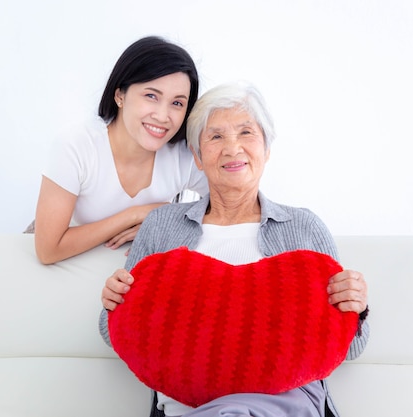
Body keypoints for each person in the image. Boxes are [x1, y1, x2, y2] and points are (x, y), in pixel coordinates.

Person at [99, 81, 369, 417]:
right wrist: (115, 302)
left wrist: (355, 308)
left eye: (246, 133)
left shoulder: (304, 226)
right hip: (188, 405)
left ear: (266, 149)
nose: (232, 148)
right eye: (215, 137)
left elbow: (352, 345)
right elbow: (115, 334)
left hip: (285, 404)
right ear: (197, 156)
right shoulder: (161, 226)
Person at [32, 36, 208, 264]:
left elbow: (233, 208)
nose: (163, 116)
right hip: (68, 260)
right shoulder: (76, 145)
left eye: (177, 103)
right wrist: (134, 215)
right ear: (120, 95)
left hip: (123, 269)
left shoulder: (184, 155)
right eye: (151, 96)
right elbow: (48, 250)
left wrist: (167, 218)